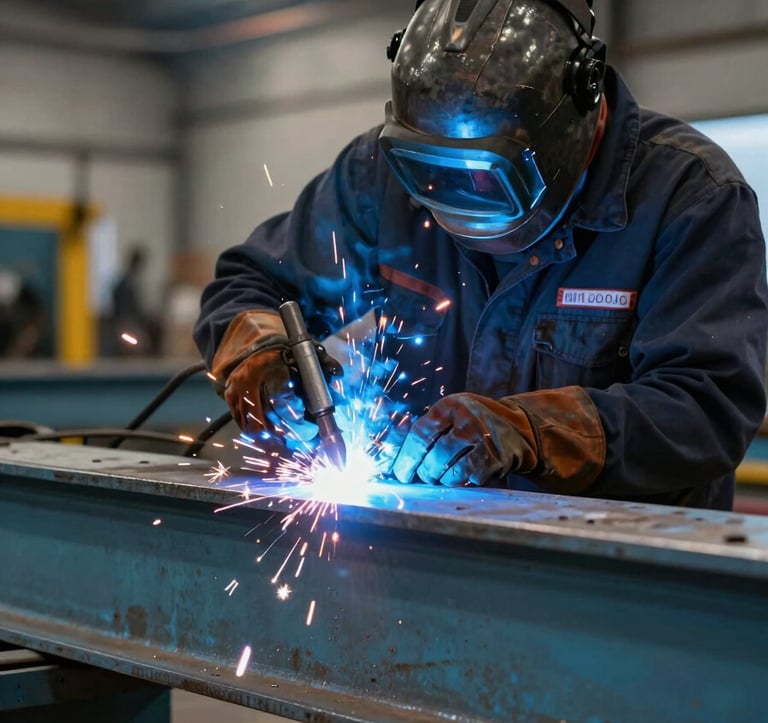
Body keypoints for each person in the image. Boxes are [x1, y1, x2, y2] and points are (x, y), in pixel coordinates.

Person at [194, 0, 768, 510]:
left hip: (620, 578)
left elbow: (706, 408)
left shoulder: (691, 197)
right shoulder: (378, 176)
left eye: (489, 179)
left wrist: (531, 431)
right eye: (432, 177)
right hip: (431, 551)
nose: (458, 208)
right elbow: (251, 282)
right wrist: (262, 354)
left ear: (573, 117)